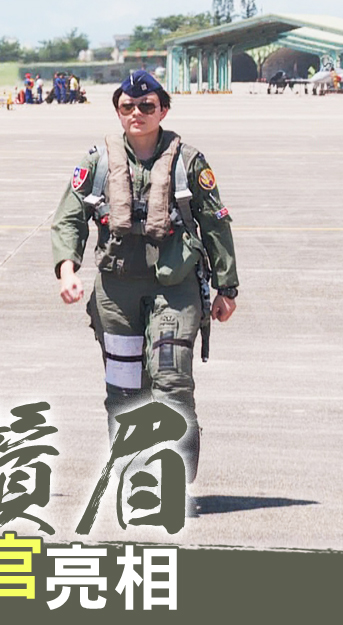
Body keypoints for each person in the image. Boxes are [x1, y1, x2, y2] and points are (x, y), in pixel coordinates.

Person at [51, 70, 239, 482]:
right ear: (118, 112)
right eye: (127, 106)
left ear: (163, 110)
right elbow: (69, 218)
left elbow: (215, 222)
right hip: (117, 291)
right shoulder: (98, 162)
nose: (136, 113)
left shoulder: (188, 162)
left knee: (171, 380)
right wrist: (67, 269)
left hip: (174, 287)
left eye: (146, 106)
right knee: (124, 390)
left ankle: (175, 473)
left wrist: (226, 287)